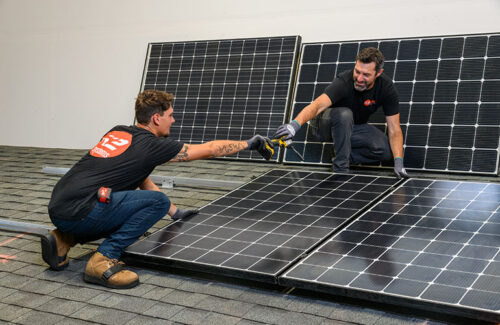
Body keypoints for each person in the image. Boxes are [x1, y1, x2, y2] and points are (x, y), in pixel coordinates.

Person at [42, 89, 273, 289]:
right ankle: (103, 259)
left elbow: (140, 176)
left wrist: (175, 212)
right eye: (170, 116)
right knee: (156, 202)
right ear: (156, 118)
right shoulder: (152, 145)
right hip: (83, 210)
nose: (173, 120)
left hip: (60, 206)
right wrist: (249, 144)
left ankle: (62, 239)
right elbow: (210, 149)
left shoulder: (119, 131)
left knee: (132, 202)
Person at [274, 47, 408, 179]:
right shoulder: (344, 81)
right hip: (324, 125)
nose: (359, 78)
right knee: (345, 114)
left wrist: (398, 161)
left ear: (378, 73)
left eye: (366, 75)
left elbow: (394, 129)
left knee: (386, 150)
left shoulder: (386, 88)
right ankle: (341, 169)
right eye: (357, 71)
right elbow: (318, 105)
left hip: (353, 127)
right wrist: (294, 125)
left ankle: (341, 153)